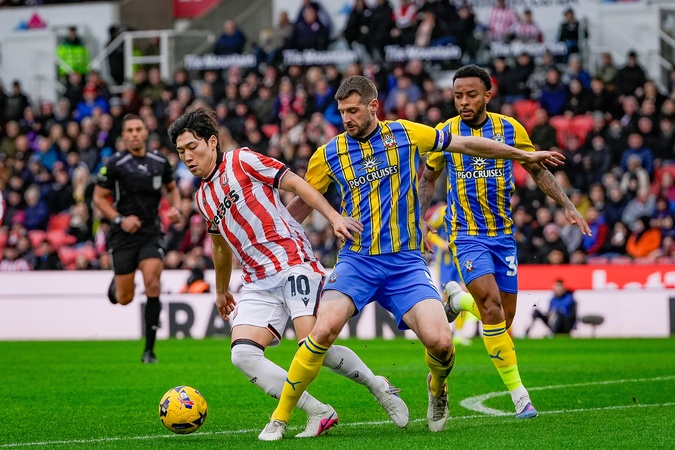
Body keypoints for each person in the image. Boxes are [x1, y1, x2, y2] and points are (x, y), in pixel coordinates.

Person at [258, 75, 566, 440]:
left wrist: (523, 155)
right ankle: (279, 418)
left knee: (442, 343)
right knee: (322, 331)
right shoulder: (328, 154)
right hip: (357, 261)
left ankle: (437, 387)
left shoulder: (406, 134)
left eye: (353, 111)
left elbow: (466, 144)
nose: (346, 119)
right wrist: (269, 238)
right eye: (342, 112)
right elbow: (303, 203)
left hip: (405, 264)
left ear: (373, 106)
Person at [167, 107, 410, 438]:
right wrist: (221, 289)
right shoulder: (202, 197)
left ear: (212, 142)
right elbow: (220, 246)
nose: (187, 157)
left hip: (292, 262)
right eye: (181, 151)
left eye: (192, 147)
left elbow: (297, 184)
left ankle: (377, 386)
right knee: (243, 354)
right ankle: (318, 410)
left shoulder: (242, 160)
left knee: (312, 347)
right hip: (256, 280)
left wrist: (334, 217)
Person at [419, 65, 591, 419]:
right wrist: (420, 220)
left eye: (471, 95)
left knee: (502, 318)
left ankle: (457, 299)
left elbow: (537, 169)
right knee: (492, 306)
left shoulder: (510, 128)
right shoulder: (446, 133)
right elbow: (428, 178)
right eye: (457, 96)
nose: (463, 102)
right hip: (466, 234)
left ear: (487, 95)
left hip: (503, 235)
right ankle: (520, 397)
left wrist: (567, 204)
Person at [93, 114, 183, 364]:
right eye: (130, 130)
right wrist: (120, 220)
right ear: (124, 135)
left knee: (152, 282)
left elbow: (172, 189)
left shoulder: (160, 162)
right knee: (125, 298)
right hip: (123, 235)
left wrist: (176, 208)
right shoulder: (114, 164)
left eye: (138, 129)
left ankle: (149, 351)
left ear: (145, 132)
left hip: (150, 231)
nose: (134, 134)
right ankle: (117, 285)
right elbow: (99, 198)